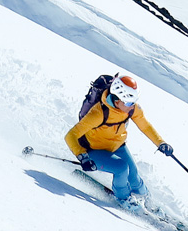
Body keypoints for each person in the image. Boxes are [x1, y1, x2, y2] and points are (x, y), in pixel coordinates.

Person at [65, 74, 174, 204]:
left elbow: (145, 126)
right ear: (117, 101)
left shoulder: (131, 109)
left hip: (117, 145)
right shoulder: (99, 113)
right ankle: (124, 200)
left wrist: (161, 142)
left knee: (133, 176)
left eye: (134, 102)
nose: (132, 106)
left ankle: (145, 198)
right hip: (94, 151)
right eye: (129, 103)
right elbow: (70, 135)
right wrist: (82, 157)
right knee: (121, 168)